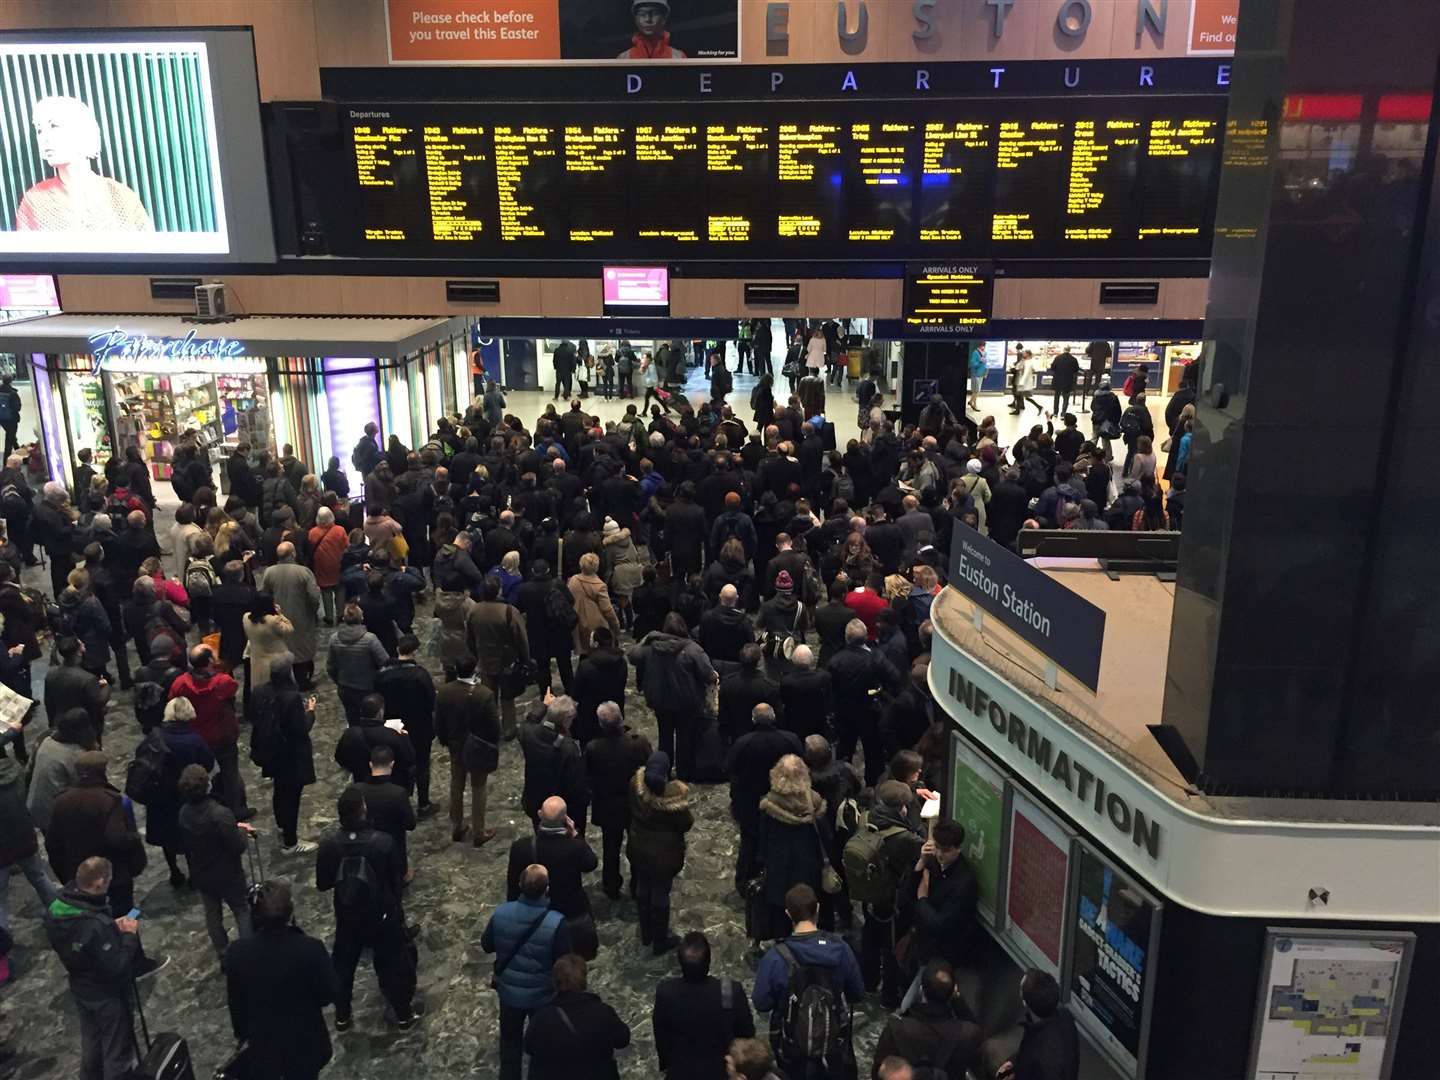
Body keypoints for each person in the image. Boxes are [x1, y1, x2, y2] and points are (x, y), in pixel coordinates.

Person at [316, 788, 422, 1031]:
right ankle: (403, 1015)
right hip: (382, 915)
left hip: (347, 914)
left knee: (344, 967)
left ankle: (342, 1017)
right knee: (394, 964)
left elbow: (323, 883)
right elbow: (397, 881)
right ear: (363, 810)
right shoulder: (383, 842)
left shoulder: (330, 845)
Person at [224, 879, 337, 1080]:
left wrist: (243, 1034)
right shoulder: (310, 949)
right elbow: (327, 995)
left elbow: (236, 1003)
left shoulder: (236, 954)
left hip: (263, 1043)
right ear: (290, 914)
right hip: (305, 1041)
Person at [44, 857, 145, 1080]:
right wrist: (128, 936)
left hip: (81, 987)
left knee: (92, 1044)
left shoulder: (57, 909)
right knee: (116, 1050)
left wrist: (108, 931)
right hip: (107, 993)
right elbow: (118, 966)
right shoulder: (94, 925)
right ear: (99, 883)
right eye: (108, 879)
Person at [752, 883, 864, 1080]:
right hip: (833, 1046)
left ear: (788, 914)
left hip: (791, 1050)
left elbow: (761, 1003)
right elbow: (857, 993)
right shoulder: (841, 949)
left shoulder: (775, 957)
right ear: (818, 908)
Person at [481, 863, 574, 1080]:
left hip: (509, 993)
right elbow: (563, 961)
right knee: (543, 1043)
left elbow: (487, 945)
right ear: (547, 889)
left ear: (520, 884)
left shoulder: (501, 912)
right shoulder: (556, 922)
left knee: (510, 1042)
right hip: (542, 994)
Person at [18, 95, 151, 232]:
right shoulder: (34, 202)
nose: (44, 138)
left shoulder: (122, 197)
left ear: (81, 130)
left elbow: (150, 250)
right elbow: (24, 252)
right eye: (39, 130)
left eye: (54, 126)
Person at [176, 763, 254, 963]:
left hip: (201, 871)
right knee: (241, 910)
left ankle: (223, 951)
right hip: (228, 872)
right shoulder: (220, 814)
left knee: (212, 914)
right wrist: (242, 833)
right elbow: (237, 846)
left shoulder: (184, 813)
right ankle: (247, 952)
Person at [654, 931, 756, 1080]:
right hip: (723, 1071)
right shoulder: (730, 991)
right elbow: (747, 1034)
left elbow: (661, 1036)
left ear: (680, 962)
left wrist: (665, 1064)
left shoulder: (666, 992)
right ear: (709, 960)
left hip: (681, 1071)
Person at [897, 819, 978, 1003]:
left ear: (958, 848)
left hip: (940, 953)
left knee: (914, 999)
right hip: (921, 942)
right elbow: (905, 897)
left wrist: (922, 899)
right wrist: (919, 865)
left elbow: (941, 925)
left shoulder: (964, 883)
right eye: (938, 847)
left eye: (946, 850)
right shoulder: (931, 862)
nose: (940, 854)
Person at [630, 612, 717, 779]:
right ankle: (684, 773)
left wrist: (646, 638)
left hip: (660, 700)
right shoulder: (692, 649)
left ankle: (665, 771)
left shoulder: (650, 647)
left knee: (665, 736)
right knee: (684, 738)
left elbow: (632, 656)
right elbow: (708, 673)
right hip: (687, 702)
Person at [727, 703, 802, 895]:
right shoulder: (790, 739)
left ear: (753, 720)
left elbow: (731, 768)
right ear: (774, 718)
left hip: (751, 800)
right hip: (782, 799)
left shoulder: (743, 743)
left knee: (749, 842)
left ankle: (744, 882)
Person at [170, 643, 249, 820]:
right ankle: (236, 811)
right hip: (223, 735)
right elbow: (232, 690)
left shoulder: (181, 683)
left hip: (197, 737)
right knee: (231, 773)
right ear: (209, 661)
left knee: (200, 776)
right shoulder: (222, 682)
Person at [249, 656, 318, 855]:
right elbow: (300, 729)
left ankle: (281, 826)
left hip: (271, 751)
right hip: (291, 755)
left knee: (280, 791)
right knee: (291, 797)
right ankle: (291, 840)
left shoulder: (260, 691)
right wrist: (310, 712)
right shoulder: (291, 697)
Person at [524, 953, 632, 1080]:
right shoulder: (603, 1012)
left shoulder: (542, 1018)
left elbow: (529, 1047)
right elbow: (622, 1040)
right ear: (583, 980)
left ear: (555, 982)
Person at [627, 749, 693, 954]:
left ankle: (646, 932)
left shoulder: (635, 786)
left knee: (643, 887)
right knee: (660, 894)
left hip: (638, 846)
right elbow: (686, 823)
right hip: (664, 855)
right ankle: (660, 939)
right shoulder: (674, 800)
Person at [871, 959, 983, 1080]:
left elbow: (877, 1073)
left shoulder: (895, 1029)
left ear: (921, 990)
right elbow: (976, 1036)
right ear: (952, 994)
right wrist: (957, 999)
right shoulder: (967, 1034)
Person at [585, 701, 651, 899]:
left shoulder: (594, 748)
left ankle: (611, 884)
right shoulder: (638, 742)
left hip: (608, 805)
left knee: (610, 847)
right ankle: (638, 883)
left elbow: (588, 776)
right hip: (634, 803)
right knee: (638, 846)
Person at [434, 654, 500, 844]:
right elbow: (494, 726)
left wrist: (445, 740)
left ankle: (457, 825)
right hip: (478, 746)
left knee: (456, 783)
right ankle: (479, 831)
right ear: (474, 669)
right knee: (478, 787)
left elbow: (438, 721)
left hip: (455, 745)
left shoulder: (444, 691)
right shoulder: (484, 694)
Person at [828, 619, 902, 786]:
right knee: (873, 751)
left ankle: (842, 783)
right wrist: (881, 690)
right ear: (866, 636)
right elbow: (895, 677)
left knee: (845, 750)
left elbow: (830, 689)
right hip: (870, 710)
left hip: (845, 711)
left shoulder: (836, 661)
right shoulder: (876, 658)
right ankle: (872, 784)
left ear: (846, 638)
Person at [376, 634, 438, 816]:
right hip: (420, 727)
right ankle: (424, 803)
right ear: (415, 651)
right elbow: (431, 701)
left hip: (393, 727)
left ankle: (399, 802)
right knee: (422, 764)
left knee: (398, 765)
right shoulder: (420, 675)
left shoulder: (382, 676)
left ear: (397, 650)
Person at [468, 575, 530, 738]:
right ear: (498, 591)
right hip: (506, 661)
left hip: (485, 659)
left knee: (489, 695)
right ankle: (509, 729)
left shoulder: (474, 610)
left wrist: (475, 655)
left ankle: (491, 727)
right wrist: (526, 658)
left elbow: (470, 637)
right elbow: (521, 637)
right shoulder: (508, 611)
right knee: (507, 697)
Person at [518, 693, 590, 831]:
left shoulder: (529, 734)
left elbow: (529, 721)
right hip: (561, 808)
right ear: (566, 721)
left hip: (535, 801)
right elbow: (576, 786)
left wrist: (543, 705)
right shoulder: (569, 748)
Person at [993, 969, 1080, 1080]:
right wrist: (1013, 1062)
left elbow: (1030, 1059)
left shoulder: (1041, 1054)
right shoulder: (1065, 1016)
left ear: (1026, 1003)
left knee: (991, 1051)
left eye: (1021, 990)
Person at [349, 745, 417, 881]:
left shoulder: (356, 791)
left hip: (365, 854)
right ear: (392, 764)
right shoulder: (398, 793)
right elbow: (410, 824)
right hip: (394, 855)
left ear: (370, 764)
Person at [259, 541, 321, 686]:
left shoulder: (269, 572)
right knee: (302, 648)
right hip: (301, 615)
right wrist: (312, 611)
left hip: (278, 616)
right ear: (293, 553)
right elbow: (313, 596)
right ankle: (303, 679)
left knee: (283, 645)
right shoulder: (304, 572)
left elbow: (264, 593)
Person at [327, 602, 390, 722]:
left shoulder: (334, 639)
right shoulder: (370, 639)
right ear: (361, 618)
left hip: (345, 687)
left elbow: (330, 666)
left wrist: (339, 680)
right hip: (367, 687)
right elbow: (384, 661)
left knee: (352, 719)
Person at [617, 0, 688, 59]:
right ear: (635, 20)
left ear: (664, 19)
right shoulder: (624, 58)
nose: (648, 19)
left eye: (655, 13)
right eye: (642, 14)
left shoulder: (678, 57)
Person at [1049, 347, 1080, 418]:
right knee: (1066, 398)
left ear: (1063, 350)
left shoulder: (1058, 358)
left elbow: (1052, 368)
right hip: (1068, 381)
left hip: (1058, 380)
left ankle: (1055, 412)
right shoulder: (1073, 359)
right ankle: (1063, 414)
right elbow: (1076, 370)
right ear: (1069, 350)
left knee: (1056, 397)